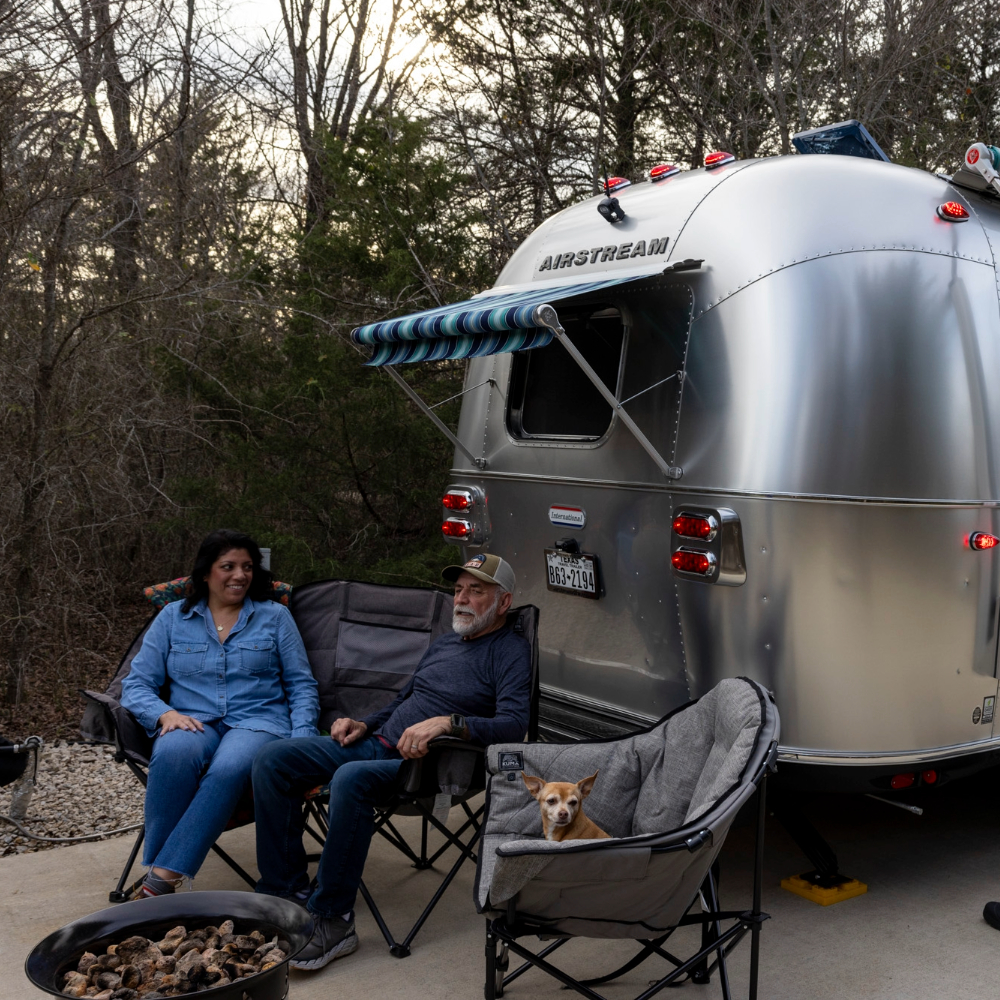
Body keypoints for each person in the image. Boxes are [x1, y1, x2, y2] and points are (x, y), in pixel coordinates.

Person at [252, 553, 531, 971]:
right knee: (272, 758)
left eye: (477, 590)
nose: (462, 598)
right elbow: (405, 699)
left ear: (503, 602)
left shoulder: (509, 652)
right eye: (458, 589)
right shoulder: (447, 643)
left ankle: (334, 919)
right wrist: (364, 724)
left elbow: (513, 725)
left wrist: (448, 724)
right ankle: (285, 891)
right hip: (379, 744)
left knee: (350, 779)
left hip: (431, 766)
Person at [121, 529, 319, 896]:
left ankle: (161, 880)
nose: (239, 575)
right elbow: (135, 685)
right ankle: (165, 868)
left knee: (229, 766)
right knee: (173, 753)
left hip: (259, 721)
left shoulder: (274, 617)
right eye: (228, 566)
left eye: (247, 567)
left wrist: (303, 737)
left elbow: (301, 684)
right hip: (193, 717)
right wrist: (164, 714)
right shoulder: (171, 619)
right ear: (205, 573)